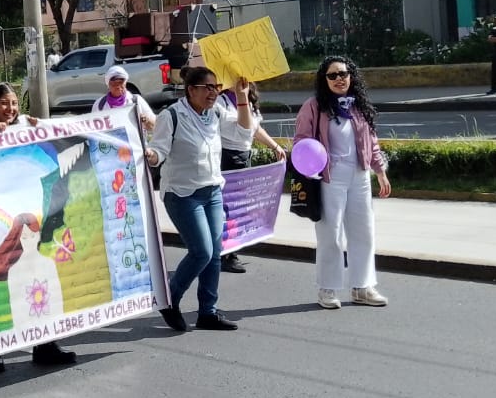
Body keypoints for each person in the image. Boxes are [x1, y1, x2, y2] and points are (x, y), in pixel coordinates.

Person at [0, 84, 77, 370]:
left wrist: (36, 130)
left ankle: (45, 344)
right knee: (1, 281)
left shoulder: (23, 126)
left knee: (36, 274)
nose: (11, 109)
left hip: (25, 213)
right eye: (5, 103)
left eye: (15, 103)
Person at [146, 67, 249, 333]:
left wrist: (243, 98)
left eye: (216, 87)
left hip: (212, 191)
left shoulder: (215, 113)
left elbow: (243, 134)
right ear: (191, 90)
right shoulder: (171, 116)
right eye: (208, 88)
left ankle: (208, 312)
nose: (214, 92)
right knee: (202, 251)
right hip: (182, 194)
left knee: (215, 254)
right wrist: (151, 156)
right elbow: (159, 150)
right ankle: (169, 299)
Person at [292, 56, 390, 310]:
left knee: (363, 231)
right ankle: (327, 288)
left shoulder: (359, 106)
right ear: (324, 80)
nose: (339, 79)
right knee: (330, 234)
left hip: (359, 175)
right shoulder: (314, 106)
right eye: (333, 75)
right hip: (329, 177)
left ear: (352, 76)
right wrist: (311, 168)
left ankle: (362, 286)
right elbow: (302, 142)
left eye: (343, 74)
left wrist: (380, 170)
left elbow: (373, 142)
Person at [216, 82, 287, 274]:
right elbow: (244, 128)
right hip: (225, 157)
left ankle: (230, 250)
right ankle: (225, 254)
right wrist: (241, 98)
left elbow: (255, 129)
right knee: (226, 207)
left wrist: (275, 146)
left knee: (238, 206)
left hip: (243, 157)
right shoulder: (219, 102)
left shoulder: (247, 99)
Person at [92, 65, 158, 136]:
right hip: (111, 145)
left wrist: (144, 119)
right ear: (108, 85)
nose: (118, 86)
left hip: (135, 144)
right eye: (114, 83)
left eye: (121, 82)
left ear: (125, 83)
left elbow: (154, 125)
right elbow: (92, 129)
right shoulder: (99, 105)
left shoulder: (136, 100)